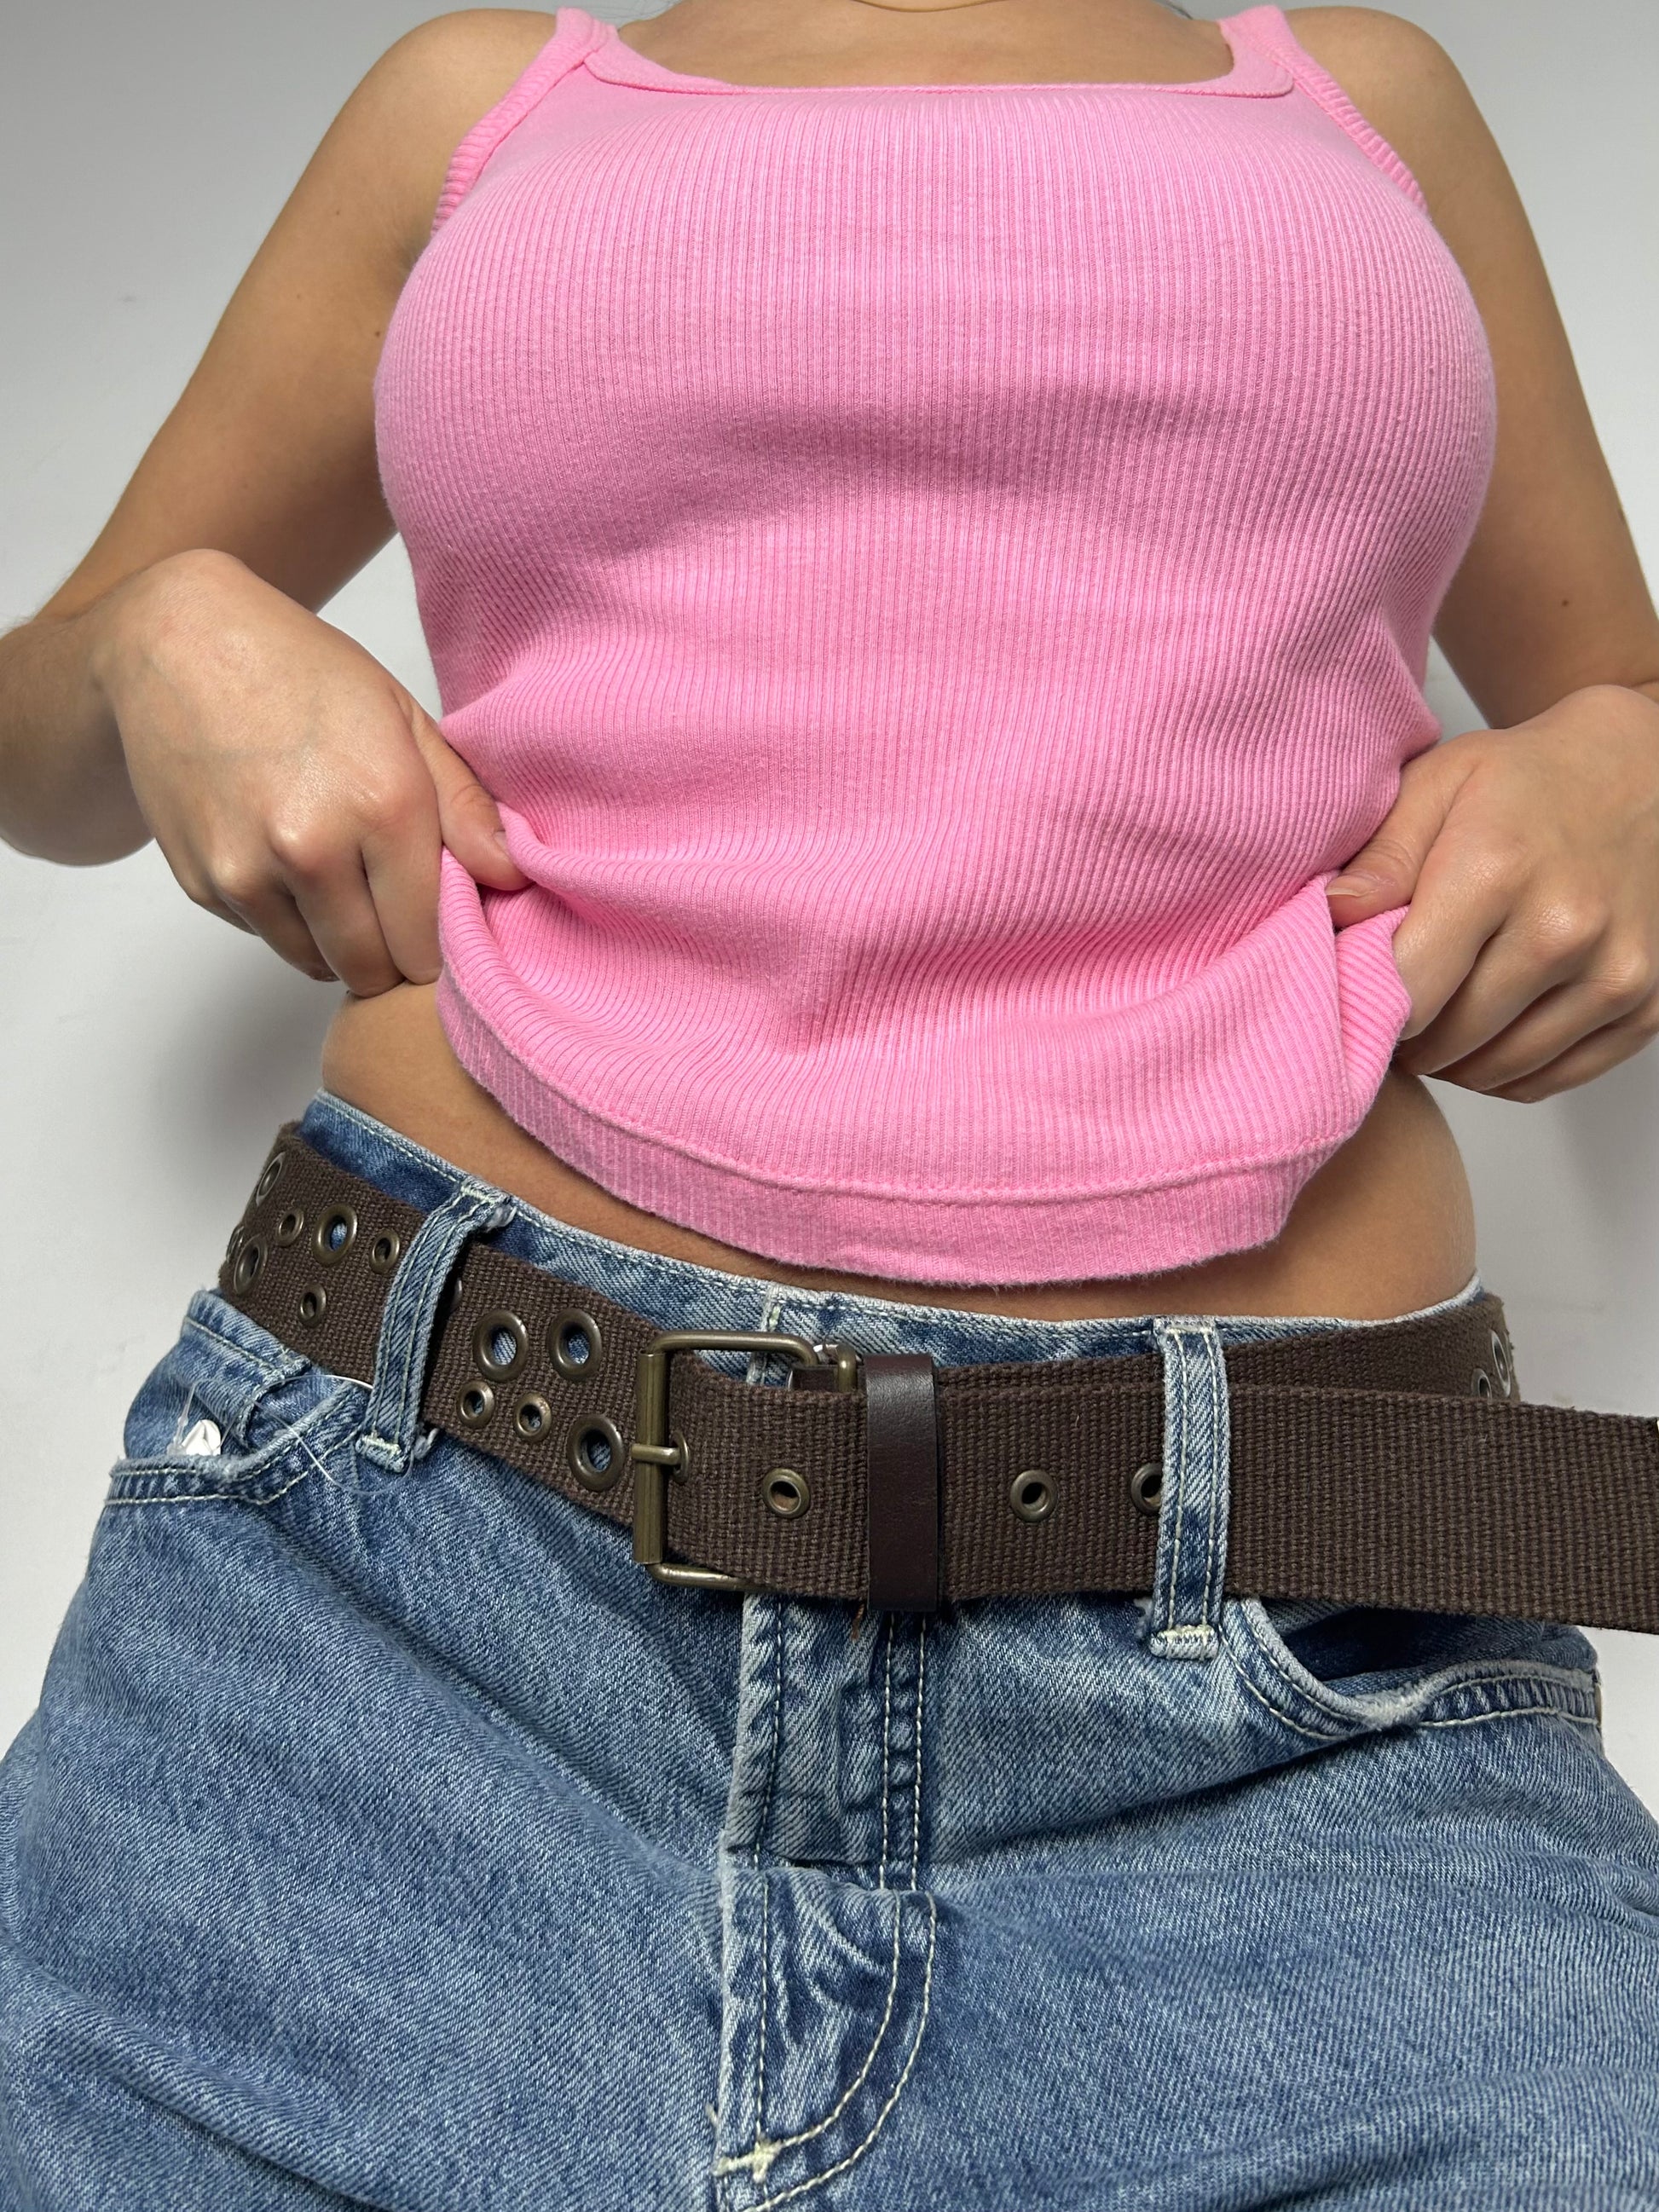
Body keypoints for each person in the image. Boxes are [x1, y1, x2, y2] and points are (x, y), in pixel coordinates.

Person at [2, 0, 1657, 2201]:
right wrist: (157, 638)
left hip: (1296, 1676)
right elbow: (41, 731)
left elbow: (1615, 695)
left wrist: (1636, 770)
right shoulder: (474, 106)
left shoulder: (1372, 106)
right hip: (402, 1621)